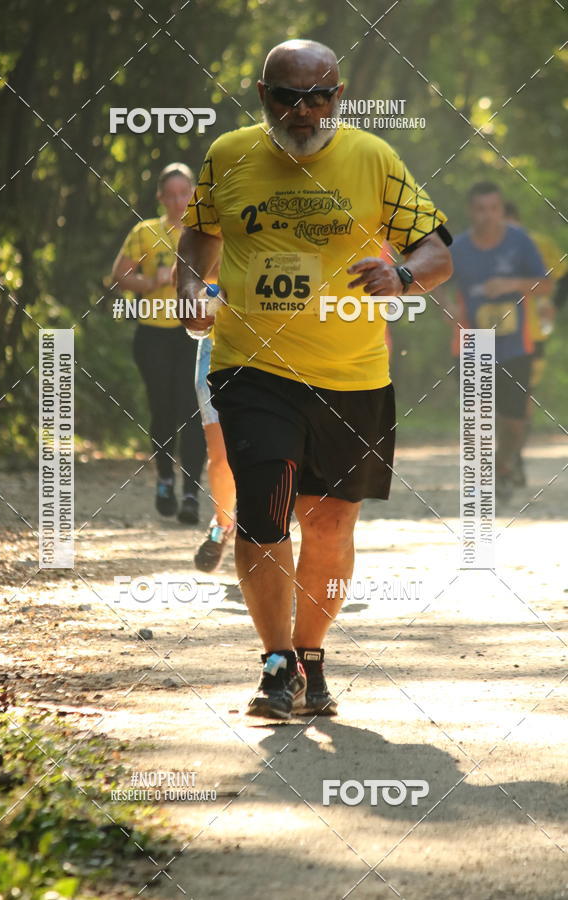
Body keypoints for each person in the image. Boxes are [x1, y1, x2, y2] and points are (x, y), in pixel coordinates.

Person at [177, 39, 453, 719]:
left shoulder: (373, 159)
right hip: (253, 365)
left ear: (340, 96)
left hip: (352, 374)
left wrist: (404, 275)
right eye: (287, 98)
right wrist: (190, 283)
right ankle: (276, 664)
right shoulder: (229, 155)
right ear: (262, 96)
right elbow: (200, 234)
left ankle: (311, 656)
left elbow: (438, 250)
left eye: (319, 97)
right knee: (265, 509)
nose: (303, 112)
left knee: (329, 526)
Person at [112, 164, 206, 523]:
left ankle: (192, 495)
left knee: (193, 412)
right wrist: (152, 280)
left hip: (194, 333)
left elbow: (225, 275)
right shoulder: (145, 231)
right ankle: (165, 479)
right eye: (171, 195)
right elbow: (119, 275)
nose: (178, 201)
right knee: (162, 409)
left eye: (185, 193)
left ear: (194, 193)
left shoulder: (206, 232)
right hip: (152, 333)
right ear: (160, 198)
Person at [449, 183, 554, 501]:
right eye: (480, 209)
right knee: (479, 416)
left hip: (514, 345)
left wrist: (511, 283)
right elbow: (438, 283)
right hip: (472, 344)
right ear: (471, 211)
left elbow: (546, 284)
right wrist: (449, 306)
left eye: (493, 208)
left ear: (501, 209)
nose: (487, 216)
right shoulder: (459, 248)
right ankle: (484, 480)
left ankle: (502, 464)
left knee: (513, 423)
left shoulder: (520, 242)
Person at [504, 201, 558, 486]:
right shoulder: (480, 245)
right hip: (490, 333)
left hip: (531, 334)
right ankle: (502, 460)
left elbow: (562, 276)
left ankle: (515, 456)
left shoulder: (537, 243)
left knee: (522, 398)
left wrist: (555, 307)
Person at [193, 333, 236, 571]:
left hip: (274, 350)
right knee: (221, 461)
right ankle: (223, 523)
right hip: (217, 345)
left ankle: (263, 542)